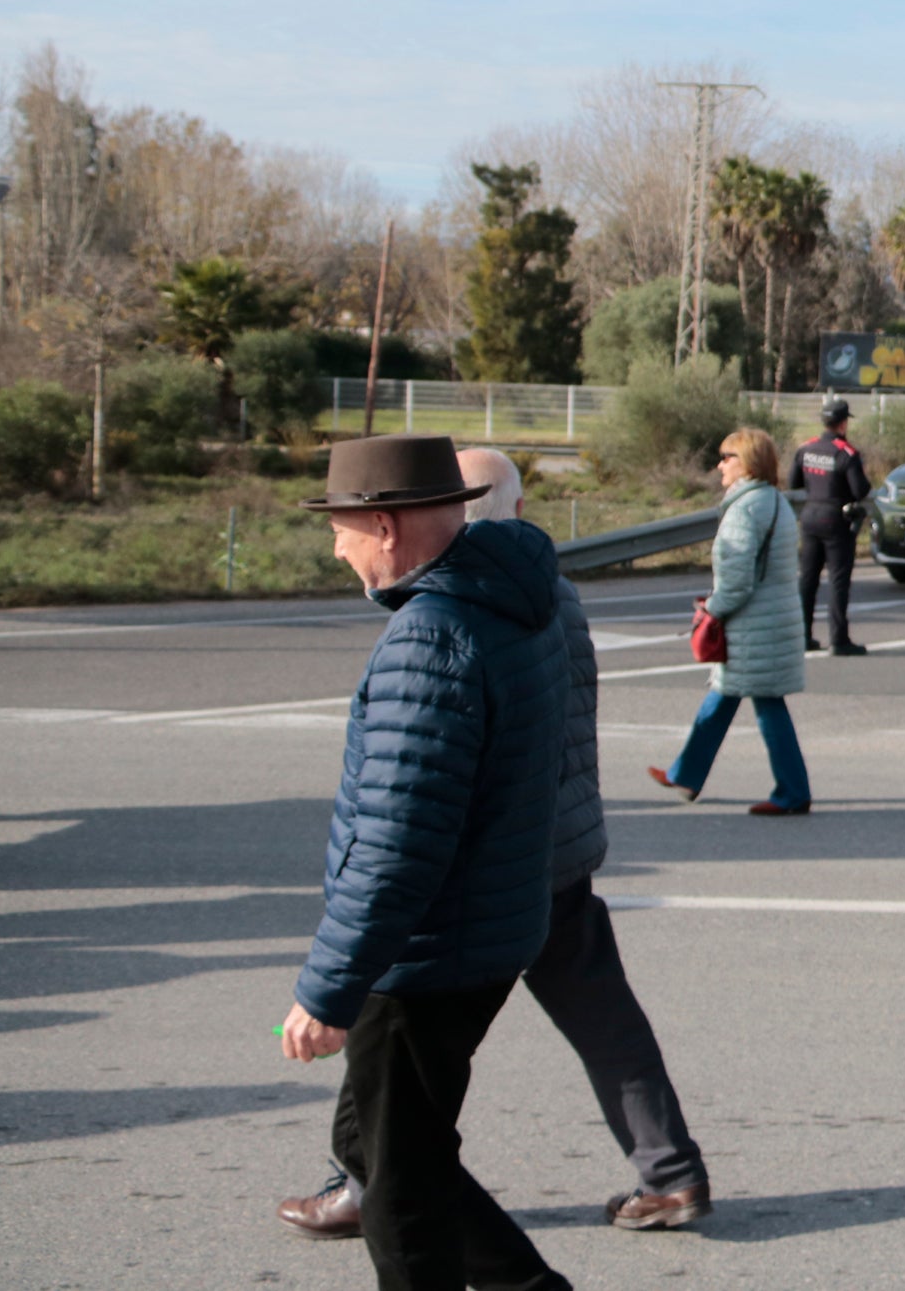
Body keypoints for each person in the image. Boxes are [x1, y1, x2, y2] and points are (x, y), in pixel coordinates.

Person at [278, 452, 712, 1246]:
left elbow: (416, 806)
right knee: (603, 1019)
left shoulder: (463, 612)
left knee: (397, 1030)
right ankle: (670, 1169)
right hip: (559, 845)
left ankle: (368, 1179)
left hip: (498, 859)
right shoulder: (546, 590)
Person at [281, 433, 572, 1291]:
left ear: (386, 525)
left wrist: (327, 988)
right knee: (378, 1144)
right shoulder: (514, 596)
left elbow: (398, 841)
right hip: (487, 929)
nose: (337, 548)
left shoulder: (429, 635)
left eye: (341, 528)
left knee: (400, 1194)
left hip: (426, 953)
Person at [648, 428, 812, 816]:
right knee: (725, 695)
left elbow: (737, 582)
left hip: (754, 626)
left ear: (748, 463)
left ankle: (793, 792)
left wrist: (711, 609)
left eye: (727, 457)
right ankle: (685, 774)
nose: (720, 465)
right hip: (772, 622)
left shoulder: (745, 509)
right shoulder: (774, 500)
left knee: (766, 704)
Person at [791, 394, 872, 655]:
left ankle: (803, 636)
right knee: (838, 581)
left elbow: (793, 482)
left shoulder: (806, 448)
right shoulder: (846, 453)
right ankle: (839, 640)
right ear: (843, 423)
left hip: (809, 517)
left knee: (807, 580)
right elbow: (860, 490)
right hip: (836, 520)